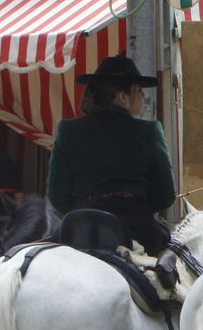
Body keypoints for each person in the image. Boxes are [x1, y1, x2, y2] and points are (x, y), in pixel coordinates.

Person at [49, 54, 178, 281]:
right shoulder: (148, 132)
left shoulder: (68, 130)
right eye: (139, 90)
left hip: (79, 228)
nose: (142, 96)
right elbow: (165, 195)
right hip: (137, 231)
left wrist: (84, 206)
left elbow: (57, 196)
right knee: (173, 282)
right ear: (122, 96)